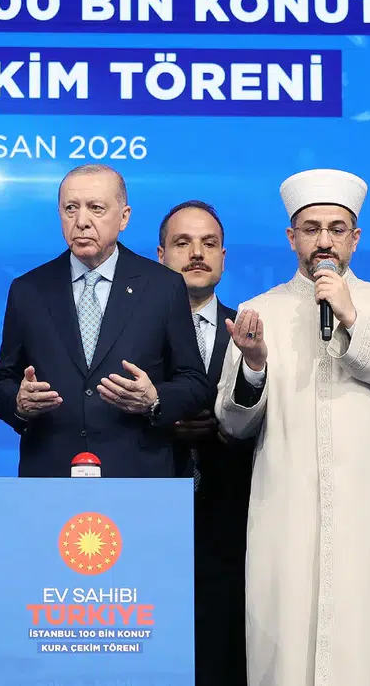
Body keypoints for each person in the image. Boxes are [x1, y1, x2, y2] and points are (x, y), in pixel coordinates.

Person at [214, 168, 370, 686]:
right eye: (311, 229)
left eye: (336, 229)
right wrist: (254, 365)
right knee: (286, 651)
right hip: (286, 518)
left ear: (355, 239)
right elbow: (232, 421)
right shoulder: (259, 311)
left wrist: (352, 318)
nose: (324, 241)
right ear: (291, 237)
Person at [0, 164, 211, 478]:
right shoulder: (28, 290)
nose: (81, 221)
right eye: (71, 208)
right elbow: (2, 381)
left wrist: (154, 400)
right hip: (50, 477)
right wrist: (18, 403)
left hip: (137, 476)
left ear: (124, 217)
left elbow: (195, 382)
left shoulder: (163, 286)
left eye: (95, 208)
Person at [155, 200, 251, 685]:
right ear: (160, 255)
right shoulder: (128, 333)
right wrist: (161, 417)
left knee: (224, 658)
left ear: (223, 256)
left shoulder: (252, 332)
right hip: (147, 518)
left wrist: (225, 425)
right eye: (183, 243)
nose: (197, 253)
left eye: (209, 243)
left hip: (232, 518)